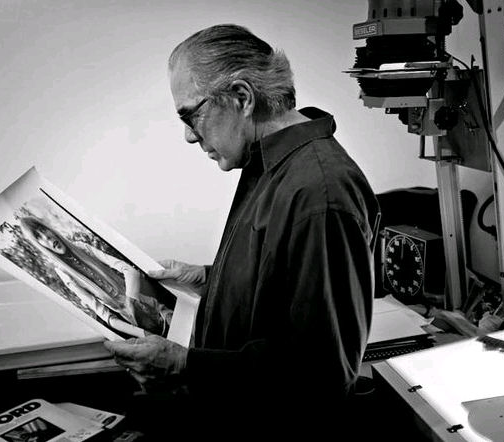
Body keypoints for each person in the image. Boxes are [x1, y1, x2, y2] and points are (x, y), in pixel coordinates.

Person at [104, 24, 380, 440]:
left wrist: (182, 364)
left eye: (190, 115)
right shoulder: (270, 163)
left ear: (242, 98)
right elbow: (282, 284)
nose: (188, 135)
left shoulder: (319, 193)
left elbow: (319, 375)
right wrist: (206, 279)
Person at [20, 216, 172, 337]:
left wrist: (131, 300)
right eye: (38, 236)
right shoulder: (64, 274)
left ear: (50, 229)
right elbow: (105, 315)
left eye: (43, 229)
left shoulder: (83, 247)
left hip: (153, 305)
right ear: (40, 245)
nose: (46, 237)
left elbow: (129, 270)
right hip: (134, 324)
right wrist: (142, 334)